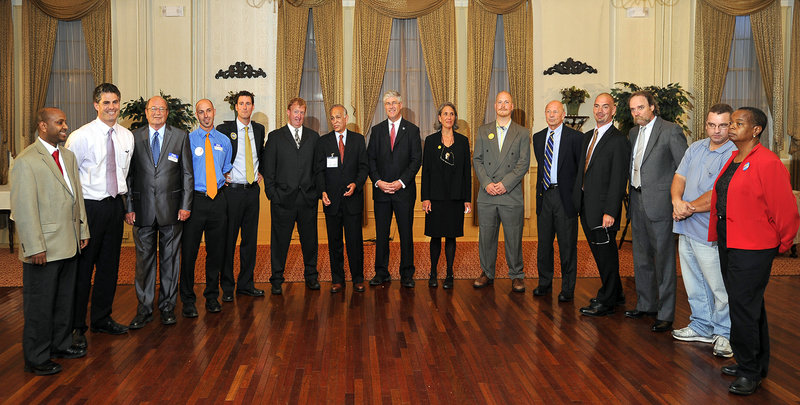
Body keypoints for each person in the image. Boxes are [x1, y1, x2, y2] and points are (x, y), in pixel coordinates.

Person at [709, 107, 799, 395]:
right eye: (731, 122)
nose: (731, 127)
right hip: (730, 240)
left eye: (738, 123)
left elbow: (784, 209)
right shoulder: (735, 159)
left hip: (753, 246)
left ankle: (749, 371)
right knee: (750, 305)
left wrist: (785, 243)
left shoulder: (768, 162)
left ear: (756, 130)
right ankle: (755, 363)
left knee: (743, 307)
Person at [11, 108, 90, 375]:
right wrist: (34, 246)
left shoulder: (67, 156)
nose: (65, 126)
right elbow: (24, 208)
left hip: (69, 244)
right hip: (42, 249)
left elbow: (76, 197)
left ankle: (60, 344)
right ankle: (36, 357)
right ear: (43, 126)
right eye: (60, 122)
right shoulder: (26, 160)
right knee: (40, 305)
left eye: (65, 121)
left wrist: (83, 231)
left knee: (63, 301)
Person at [64, 83, 134, 349]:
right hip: (89, 209)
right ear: (95, 105)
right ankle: (76, 327)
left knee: (109, 267)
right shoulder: (81, 137)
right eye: (106, 103)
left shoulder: (126, 137)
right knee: (83, 270)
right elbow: (69, 180)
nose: (111, 107)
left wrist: (126, 207)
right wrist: (77, 218)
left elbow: (125, 175)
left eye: (115, 102)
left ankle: (102, 318)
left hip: (115, 206)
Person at [670, 104, 736, 357]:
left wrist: (689, 208)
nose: (716, 130)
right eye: (712, 124)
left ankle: (725, 333)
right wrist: (677, 202)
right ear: (705, 124)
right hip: (685, 225)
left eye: (722, 125)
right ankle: (701, 325)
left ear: (730, 125)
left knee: (717, 286)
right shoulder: (695, 147)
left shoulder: (733, 153)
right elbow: (679, 178)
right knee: (694, 281)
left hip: (710, 230)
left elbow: (721, 191)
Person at [125, 96, 193, 328]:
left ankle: (167, 307)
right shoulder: (133, 137)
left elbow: (187, 174)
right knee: (144, 262)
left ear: (167, 112)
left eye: (161, 109)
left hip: (173, 211)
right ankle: (144, 309)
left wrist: (185, 205)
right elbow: (129, 176)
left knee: (170, 261)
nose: (157, 112)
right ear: (146, 111)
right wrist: (129, 207)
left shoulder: (181, 136)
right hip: (142, 210)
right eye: (153, 108)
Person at [626, 90, 688, 333]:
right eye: (632, 109)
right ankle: (646, 304)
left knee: (663, 260)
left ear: (652, 106)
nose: (636, 113)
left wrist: (678, 201)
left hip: (661, 204)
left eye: (640, 107)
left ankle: (665, 313)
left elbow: (684, 169)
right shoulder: (632, 132)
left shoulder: (671, 131)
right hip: (637, 200)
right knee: (641, 258)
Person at [575, 93, 630, 317]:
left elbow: (618, 179)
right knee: (599, 254)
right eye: (596, 106)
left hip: (603, 211)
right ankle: (615, 293)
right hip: (586, 206)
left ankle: (606, 301)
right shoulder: (588, 136)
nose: (599, 111)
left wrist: (610, 211)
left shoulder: (618, 140)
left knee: (606, 254)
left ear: (613, 110)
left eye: (605, 107)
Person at [472, 91, 531, 293]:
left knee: (513, 237)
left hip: (511, 193)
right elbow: (477, 159)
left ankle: (516, 275)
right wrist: (487, 183)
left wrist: (505, 184)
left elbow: (523, 163)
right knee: (486, 236)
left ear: (512, 106)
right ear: (494, 106)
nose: (503, 105)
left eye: (507, 102)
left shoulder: (522, 133)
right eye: (500, 102)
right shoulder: (482, 131)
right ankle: (486, 272)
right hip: (487, 193)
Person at [180, 99, 232, 317]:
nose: (205, 115)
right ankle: (188, 300)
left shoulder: (225, 141)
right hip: (195, 201)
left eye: (208, 111)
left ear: (214, 111)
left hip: (218, 200)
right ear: (197, 115)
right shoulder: (188, 140)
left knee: (215, 253)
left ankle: (212, 296)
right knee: (189, 252)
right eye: (200, 112)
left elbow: (225, 168)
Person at [262, 97, 320, 295]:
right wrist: (272, 194)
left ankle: (311, 276)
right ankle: (277, 278)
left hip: (307, 199)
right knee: (279, 242)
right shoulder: (275, 137)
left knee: (310, 241)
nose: (299, 116)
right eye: (296, 112)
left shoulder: (313, 137)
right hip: (282, 200)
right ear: (288, 112)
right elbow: (268, 169)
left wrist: (315, 193)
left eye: (302, 112)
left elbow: (318, 169)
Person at [367, 90, 422, 288]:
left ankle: (407, 273)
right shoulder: (377, 130)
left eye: (394, 103)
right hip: (381, 191)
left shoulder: (413, 130)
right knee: (381, 234)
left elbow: (416, 160)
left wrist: (401, 182)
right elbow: (370, 159)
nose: (391, 106)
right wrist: (378, 181)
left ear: (400, 105)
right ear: (385, 107)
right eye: (387, 103)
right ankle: (381, 273)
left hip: (404, 191)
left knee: (406, 233)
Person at [531, 100, 583, 301]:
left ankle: (568, 288)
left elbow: (580, 171)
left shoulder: (576, 138)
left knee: (567, 245)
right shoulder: (538, 138)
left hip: (565, 198)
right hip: (545, 196)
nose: (552, 115)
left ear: (563, 115)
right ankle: (544, 283)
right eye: (548, 111)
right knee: (544, 245)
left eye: (556, 112)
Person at [216, 90, 265, 301]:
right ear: (236, 107)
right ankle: (227, 287)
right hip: (232, 193)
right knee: (228, 241)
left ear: (253, 107)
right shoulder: (225, 129)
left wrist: (262, 171)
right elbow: (215, 153)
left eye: (248, 103)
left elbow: (262, 155)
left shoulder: (260, 130)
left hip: (252, 192)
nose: (245, 107)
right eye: (241, 103)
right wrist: (220, 173)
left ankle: (246, 284)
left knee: (249, 241)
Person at [315, 104, 369, 293]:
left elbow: (364, 167)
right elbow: (319, 171)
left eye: (338, 117)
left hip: (353, 201)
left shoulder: (358, 140)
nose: (335, 121)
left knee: (355, 242)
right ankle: (337, 279)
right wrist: (322, 192)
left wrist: (356, 184)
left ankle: (358, 279)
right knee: (334, 243)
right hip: (332, 202)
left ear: (346, 118)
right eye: (332, 118)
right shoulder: (324, 142)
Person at [420, 102, 471, 290]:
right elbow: (426, 172)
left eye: (452, 114)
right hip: (435, 197)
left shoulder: (463, 141)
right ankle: (433, 272)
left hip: (456, 198)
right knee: (435, 237)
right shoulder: (431, 141)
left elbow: (467, 172)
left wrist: (467, 199)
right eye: (445, 114)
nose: (449, 117)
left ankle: (449, 273)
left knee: (451, 237)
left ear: (454, 118)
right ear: (439, 118)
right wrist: (425, 197)